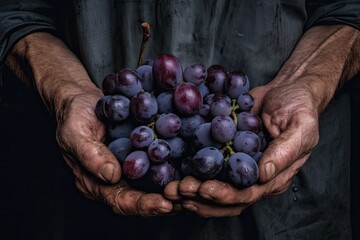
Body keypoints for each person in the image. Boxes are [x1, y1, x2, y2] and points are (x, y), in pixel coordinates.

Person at [0, 0, 359, 239]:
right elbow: (14, 9)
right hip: (74, 210)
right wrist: (64, 90)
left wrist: (308, 81)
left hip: (295, 215)